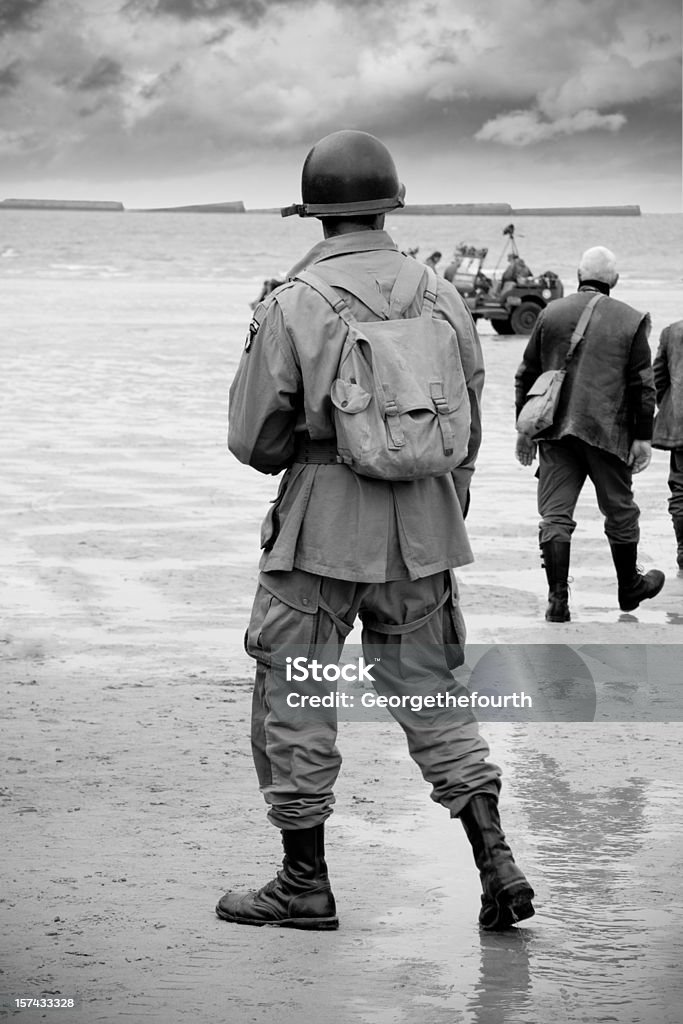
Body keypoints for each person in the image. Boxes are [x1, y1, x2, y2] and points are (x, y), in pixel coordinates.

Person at [221, 129, 535, 932]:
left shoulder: (293, 302)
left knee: (296, 689)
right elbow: (465, 420)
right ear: (389, 206)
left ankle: (304, 884)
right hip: (426, 525)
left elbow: (253, 440)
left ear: (315, 215)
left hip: (320, 526)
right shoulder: (445, 296)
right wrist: (438, 509)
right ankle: (496, 862)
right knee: (432, 690)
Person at [515, 245, 664, 622]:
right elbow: (641, 385)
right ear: (613, 280)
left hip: (553, 432)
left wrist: (524, 429)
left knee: (555, 517)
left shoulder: (551, 312)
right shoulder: (631, 320)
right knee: (620, 512)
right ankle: (629, 587)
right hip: (607, 432)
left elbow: (526, 374)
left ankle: (557, 600)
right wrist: (643, 436)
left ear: (577, 274)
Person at [652, 320, 683, 573]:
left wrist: (671, 409)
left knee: (681, 490)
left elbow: (657, 380)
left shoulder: (673, 332)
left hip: (681, 427)